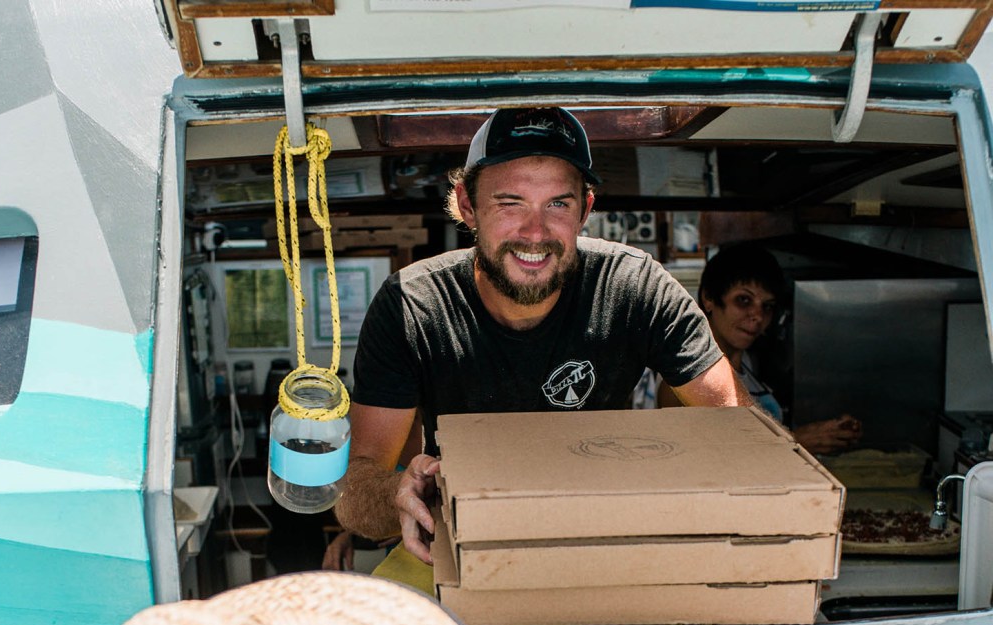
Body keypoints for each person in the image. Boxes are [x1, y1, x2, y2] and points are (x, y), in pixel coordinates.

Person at [334, 107, 754, 568]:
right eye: (510, 203)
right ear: (468, 205)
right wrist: (399, 493)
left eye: (558, 203)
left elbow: (745, 435)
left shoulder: (636, 287)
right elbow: (353, 489)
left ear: (585, 210)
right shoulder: (411, 305)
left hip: (598, 541)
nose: (535, 233)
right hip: (458, 546)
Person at [656, 244, 862, 455]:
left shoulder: (749, 362)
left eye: (767, 306)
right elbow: (704, 458)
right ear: (709, 299)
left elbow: (752, 436)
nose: (758, 316)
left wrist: (827, 431)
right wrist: (798, 442)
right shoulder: (683, 382)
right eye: (743, 300)